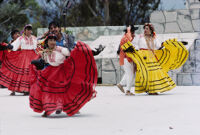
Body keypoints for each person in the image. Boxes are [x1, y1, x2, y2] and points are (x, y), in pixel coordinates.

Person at [30, 34, 98, 117]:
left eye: (54, 40)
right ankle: (48, 109)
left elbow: (74, 53)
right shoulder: (45, 52)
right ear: (47, 42)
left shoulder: (61, 49)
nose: (52, 42)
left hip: (62, 71)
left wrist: (91, 52)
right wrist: (36, 63)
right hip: (50, 72)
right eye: (50, 40)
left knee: (65, 90)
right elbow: (44, 61)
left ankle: (67, 107)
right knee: (48, 91)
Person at [121, 23, 189, 95]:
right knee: (146, 72)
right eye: (145, 29)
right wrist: (130, 49)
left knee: (155, 72)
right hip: (142, 57)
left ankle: (152, 90)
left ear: (151, 30)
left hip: (151, 57)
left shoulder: (154, 38)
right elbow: (132, 43)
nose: (145, 30)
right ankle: (149, 89)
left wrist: (175, 43)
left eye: (147, 29)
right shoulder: (140, 37)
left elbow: (159, 46)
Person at [0, 24, 39, 96]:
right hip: (23, 55)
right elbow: (14, 46)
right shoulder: (21, 38)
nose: (29, 31)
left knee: (30, 72)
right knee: (23, 72)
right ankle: (24, 89)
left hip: (32, 55)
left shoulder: (34, 38)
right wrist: (9, 46)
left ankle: (29, 89)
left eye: (30, 29)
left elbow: (37, 46)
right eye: (27, 29)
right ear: (25, 30)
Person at [116, 25, 138, 96]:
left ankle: (121, 84)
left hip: (126, 57)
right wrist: (129, 31)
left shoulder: (125, 37)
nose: (134, 33)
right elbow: (129, 41)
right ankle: (128, 90)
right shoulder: (126, 37)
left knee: (129, 73)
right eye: (133, 31)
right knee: (130, 74)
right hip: (126, 58)